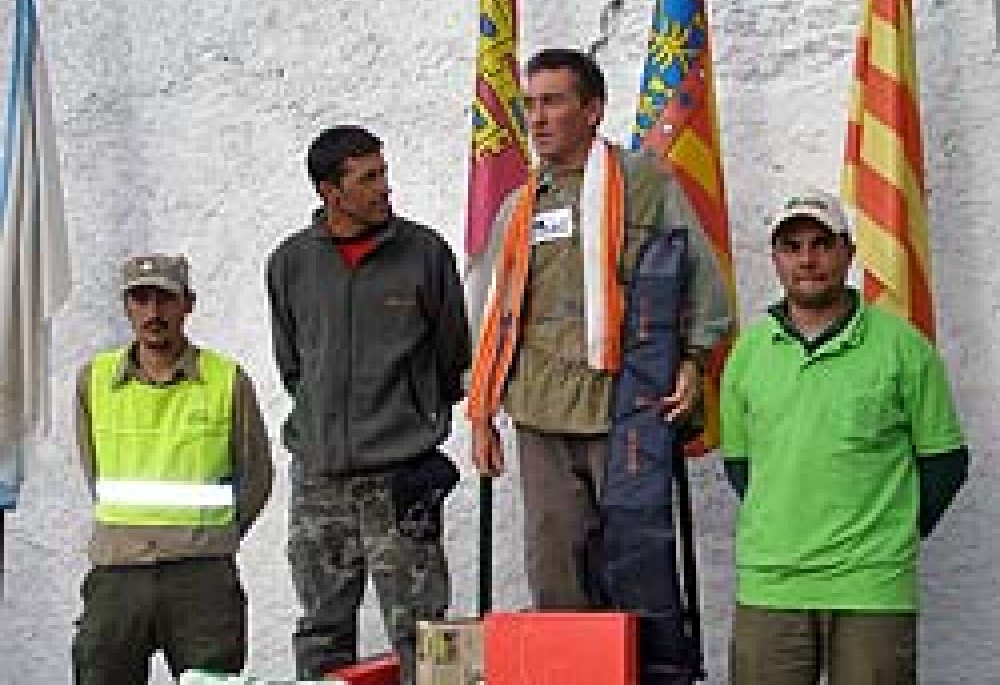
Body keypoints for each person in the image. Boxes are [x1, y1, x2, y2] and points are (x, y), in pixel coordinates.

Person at [467, 48, 732, 609]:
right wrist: (482, 412)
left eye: (553, 102)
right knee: (555, 569)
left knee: (637, 571)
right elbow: (488, 314)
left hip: (627, 407)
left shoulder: (643, 183)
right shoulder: (518, 205)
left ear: (592, 110)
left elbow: (700, 278)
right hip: (541, 414)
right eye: (529, 104)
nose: (536, 118)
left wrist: (694, 358)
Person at [721, 190, 969, 685]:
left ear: (849, 253)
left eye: (822, 244)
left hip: (872, 589)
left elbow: (945, 462)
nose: (807, 260)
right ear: (774, 259)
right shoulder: (747, 353)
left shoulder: (904, 349)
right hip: (772, 586)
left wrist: (888, 532)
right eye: (791, 247)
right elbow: (741, 466)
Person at [267, 125, 470, 682]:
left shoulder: (424, 254)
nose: (385, 187)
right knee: (321, 630)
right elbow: (293, 365)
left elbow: (452, 354)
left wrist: (409, 418)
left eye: (383, 173)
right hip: (320, 480)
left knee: (426, 635)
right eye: (368, 178)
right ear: (330, 192)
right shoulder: (289, 263)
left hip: (401, 476)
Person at [72, 254, 274, 685]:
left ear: (188, 304)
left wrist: (216, 533)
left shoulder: (227, 380)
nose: (153, 313)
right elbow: (95, 470)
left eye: (164, 299)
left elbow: (256, 477)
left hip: (201, 576)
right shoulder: (94, 380)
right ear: (126, 307)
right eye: (140, 300)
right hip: (117, 576)